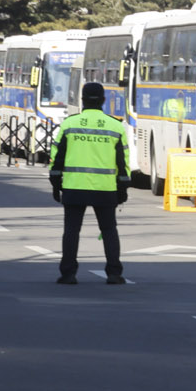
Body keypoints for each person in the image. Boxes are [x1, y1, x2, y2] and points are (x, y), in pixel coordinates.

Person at [49, 82, 130, 285]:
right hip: (105, 188)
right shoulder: (115, 126)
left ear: (82, 100)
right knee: (109, 230)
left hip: (74, 186)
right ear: (104, 100)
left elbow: (57, 157)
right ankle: (114, 273)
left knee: (71, 230)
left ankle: (68, 274)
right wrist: (122, 188)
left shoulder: (70, 124)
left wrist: (55, 183)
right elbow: (123, 161)